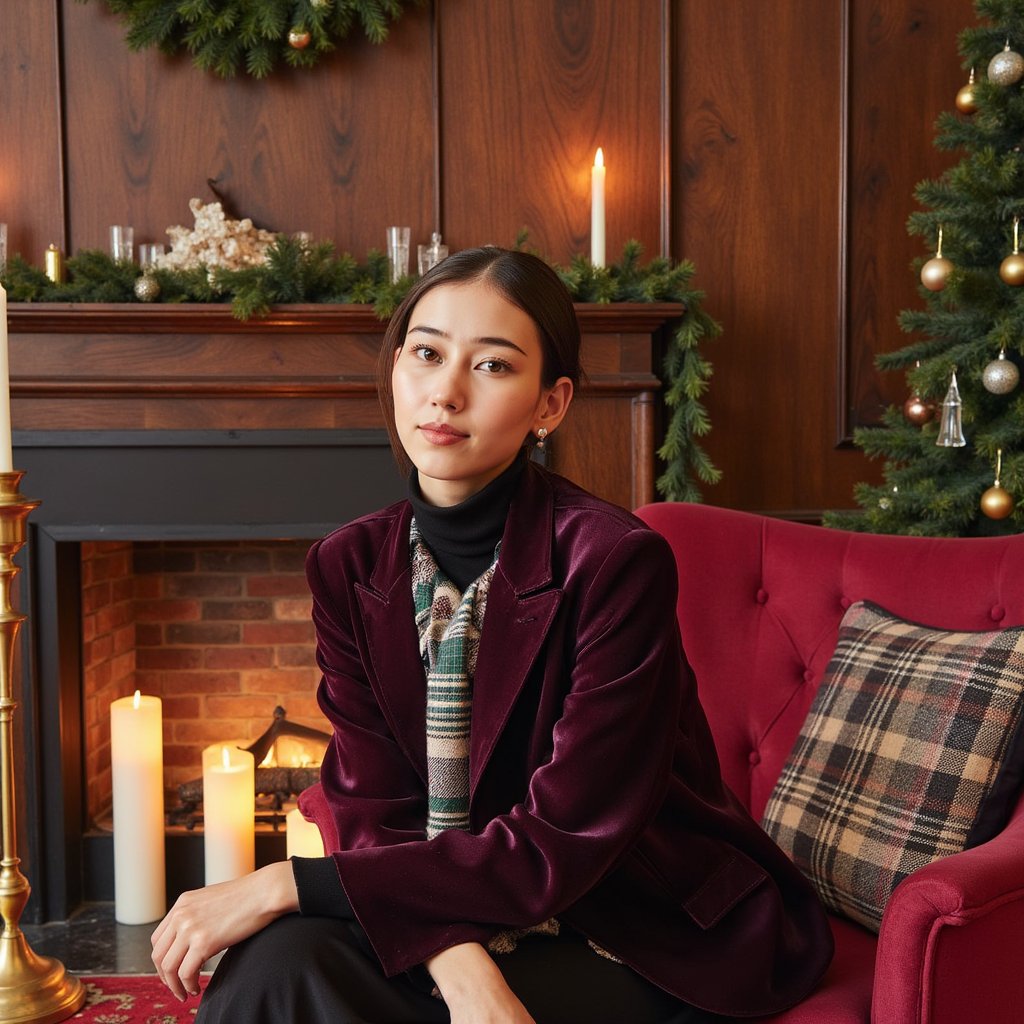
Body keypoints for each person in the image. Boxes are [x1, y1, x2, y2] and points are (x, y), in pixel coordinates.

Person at [151, 246, 833, 1023]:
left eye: (493, 366)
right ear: (395, 369)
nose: (445, 392)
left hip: (631, 919)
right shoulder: (349, 566)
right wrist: (456, 960)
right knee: (271, 966)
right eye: (426, 354)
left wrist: (286, 883)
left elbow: (568, 835)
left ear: (550, 404)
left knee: (313, 977)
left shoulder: (615, 563)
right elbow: (372, 805)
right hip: (451, 905)